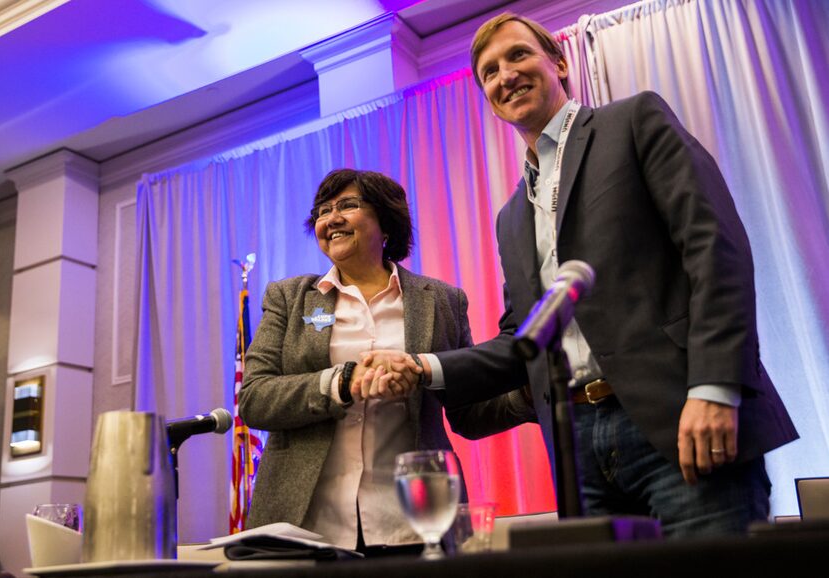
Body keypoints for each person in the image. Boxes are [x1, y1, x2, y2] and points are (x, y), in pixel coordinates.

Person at [366, 13, 797, 537]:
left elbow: (715, 249)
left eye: (519, 55)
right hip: (579, 451)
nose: (505, 75)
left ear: (559, 62)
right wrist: (421, 366)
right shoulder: (510, 217)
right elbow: (522, 342)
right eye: (489, 72)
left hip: (679, 420)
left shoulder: (633, 122)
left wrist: (714, 387)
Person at [238, 168, 533, 553]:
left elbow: (470, 412)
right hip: (307, 528)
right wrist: (342, 382)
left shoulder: (442, 301)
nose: (332, 219)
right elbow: (255, 399)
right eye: (323, 211)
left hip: (412, 524)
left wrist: (532, 393)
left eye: (348, 205)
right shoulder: (289, 299)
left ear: (386, 222)